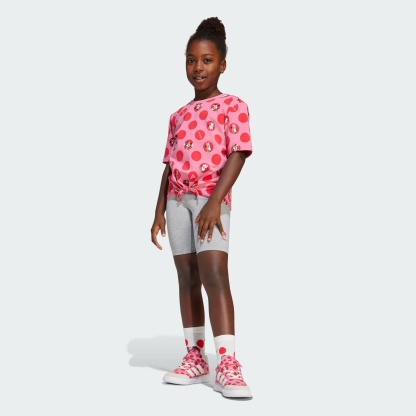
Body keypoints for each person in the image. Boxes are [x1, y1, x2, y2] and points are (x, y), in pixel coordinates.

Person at [151, 16, 253, 399]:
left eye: (207, 60)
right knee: (187, 276)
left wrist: (214, 202)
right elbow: (169, 165)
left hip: (211, 201)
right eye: (191, 60)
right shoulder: (177, 116)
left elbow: (238, 154)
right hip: (177, 202)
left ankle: (227, 362)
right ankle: (195, 357)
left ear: (222, 64)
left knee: (214, 273)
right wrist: (158, 211)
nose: (198, 67)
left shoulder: (233, 106)